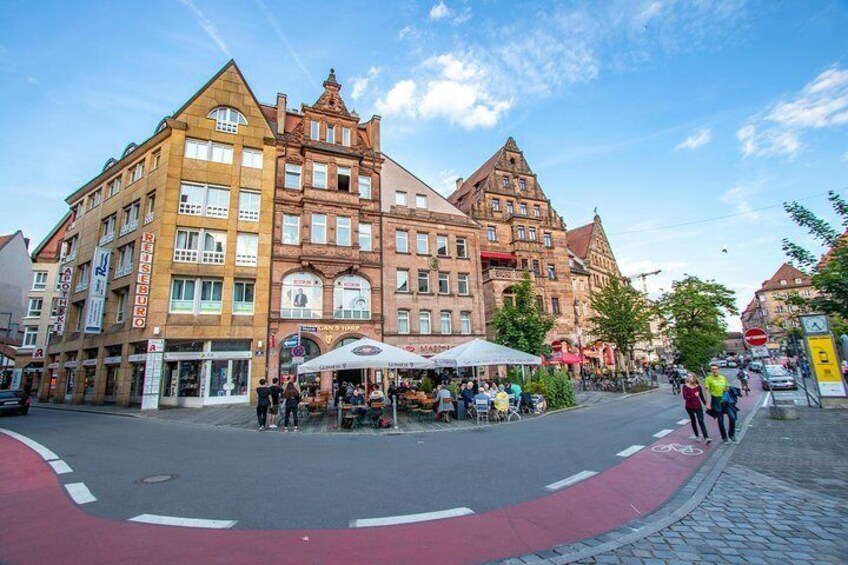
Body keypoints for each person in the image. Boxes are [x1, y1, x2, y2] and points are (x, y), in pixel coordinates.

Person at [704, 364, 737, 444]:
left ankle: (731, 434)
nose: (714, 370)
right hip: (716, 401)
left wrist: (727, 388)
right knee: (720, 420)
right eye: (712, 369)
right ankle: (724, 437)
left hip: (725, 400)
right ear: (711, 370)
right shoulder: (708, 379)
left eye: (716, 369)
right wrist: (708, 403)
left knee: (732, 417)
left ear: (719, 370)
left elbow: (727, 387)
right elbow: (707, 392)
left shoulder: (723, 378)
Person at [682, 373, 711, 444]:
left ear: (694, 378)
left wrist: (706, 404)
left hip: (698, 406)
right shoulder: (685, 386)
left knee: (701, 420)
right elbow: (685, 397)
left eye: (690, 376)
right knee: (693, 420)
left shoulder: (698, 387)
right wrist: (693, 395)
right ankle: (697, 434)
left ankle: (706, 437)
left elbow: (701, 397)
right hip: (689, 407)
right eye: (688, 377)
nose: (689, 378)